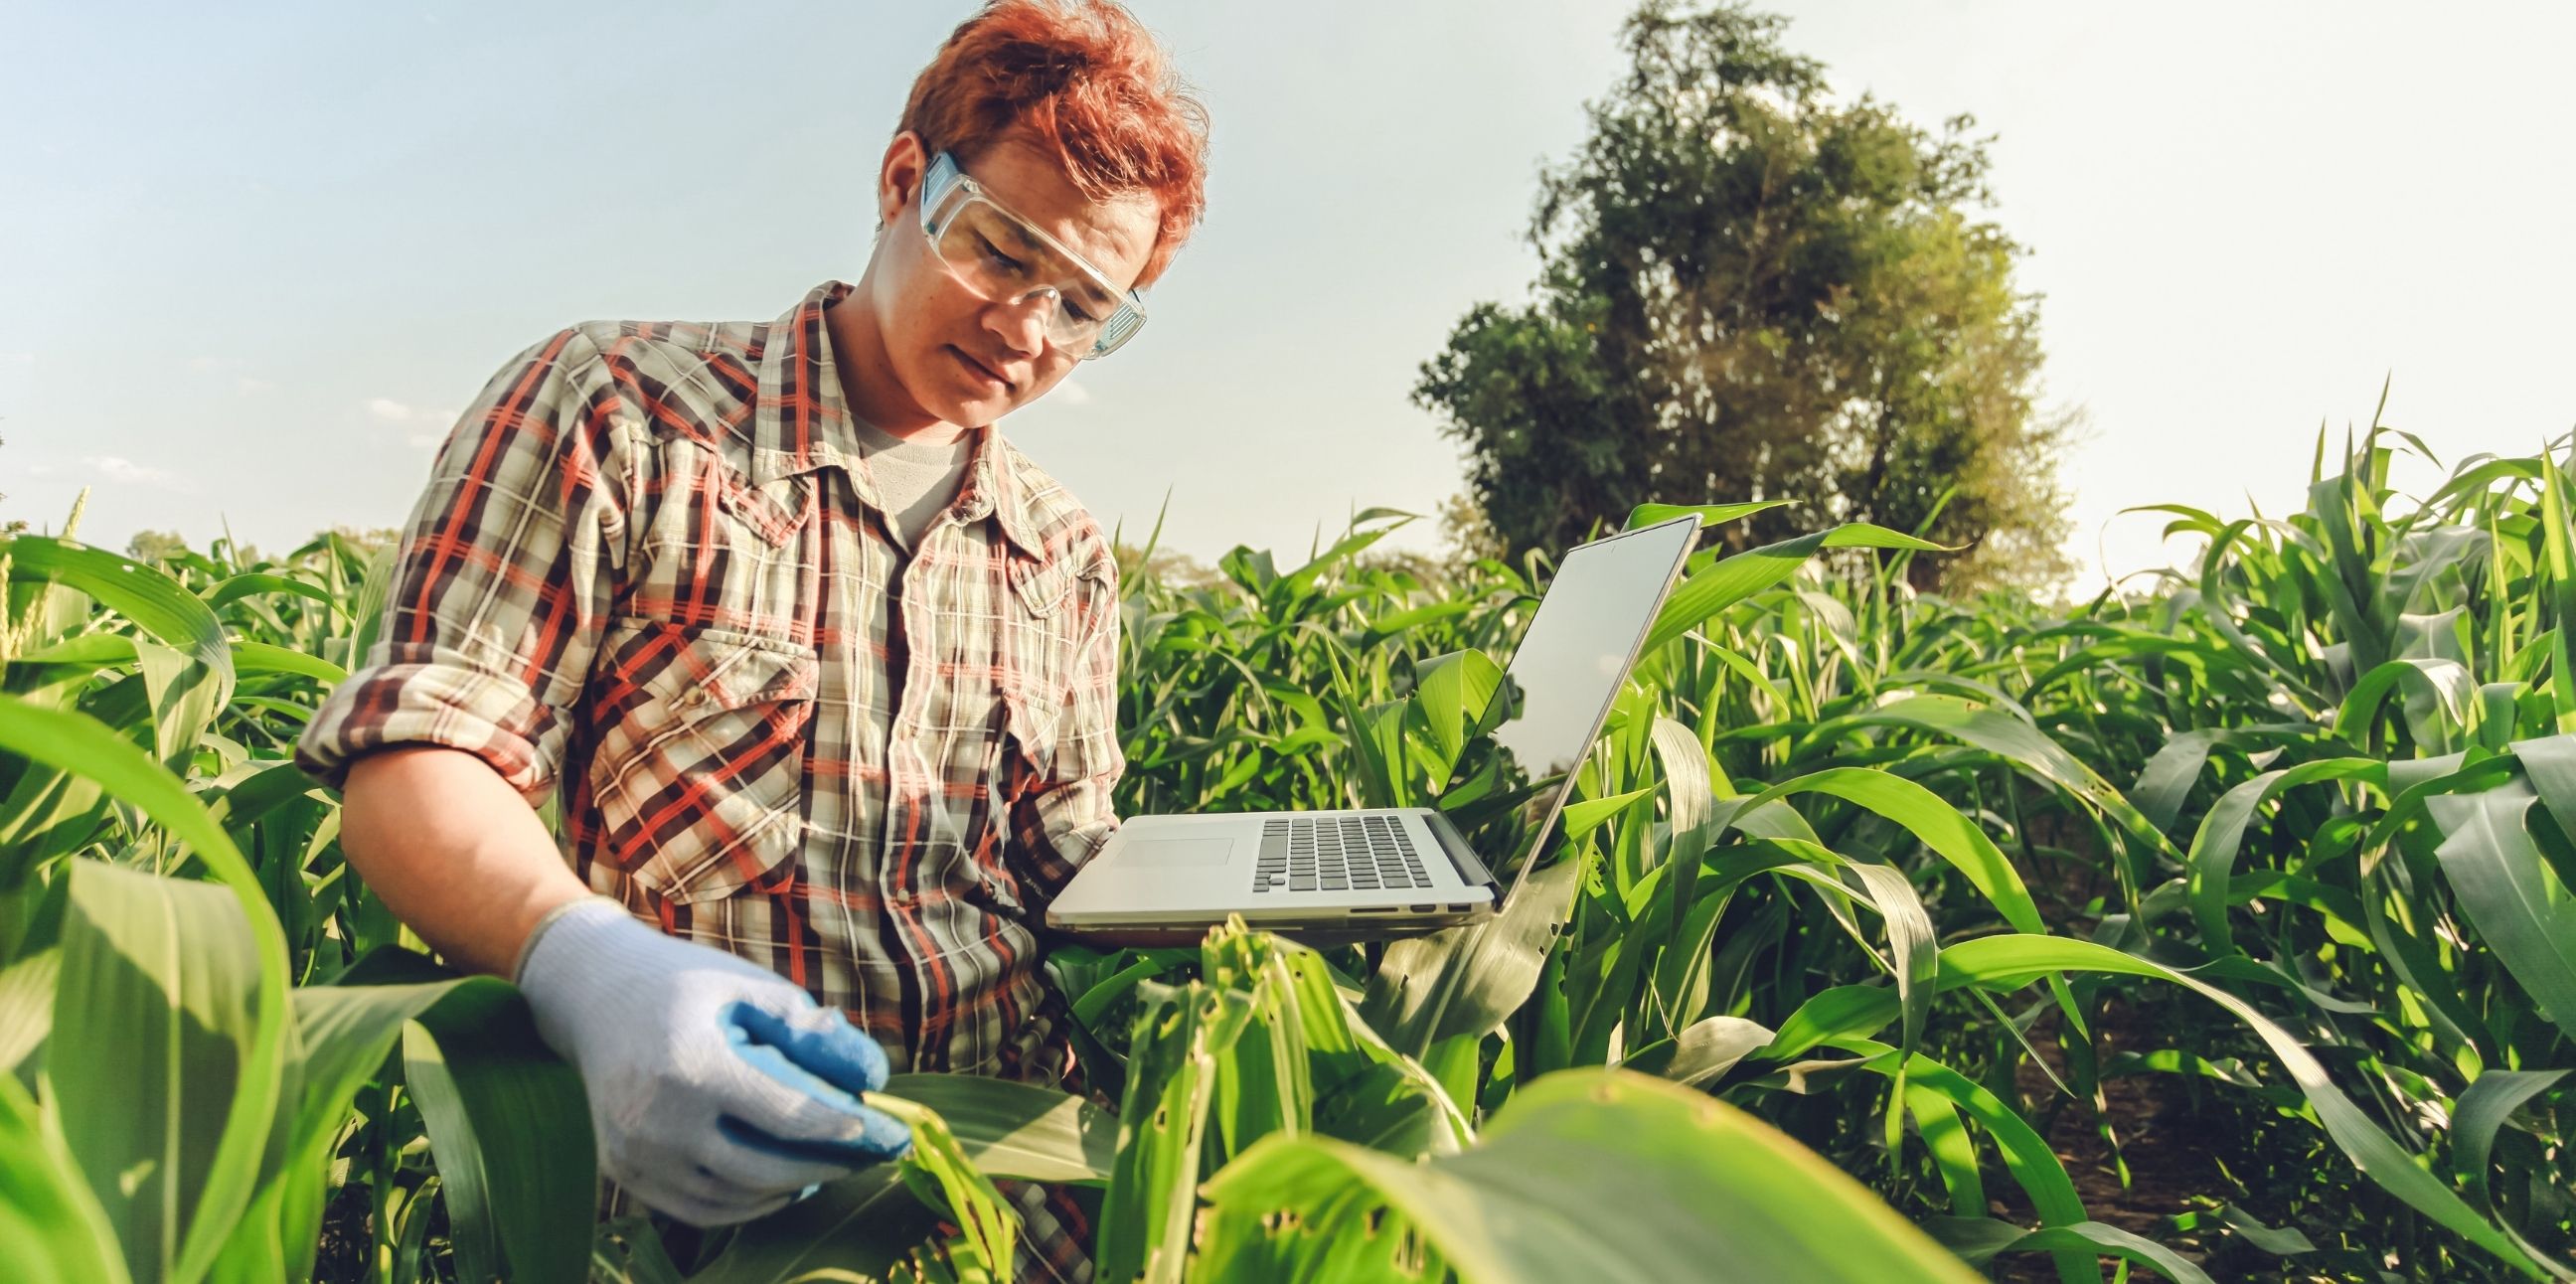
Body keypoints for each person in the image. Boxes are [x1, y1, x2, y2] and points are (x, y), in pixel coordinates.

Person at [292, 3, 1208, 1277]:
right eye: (1003, 253)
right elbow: (417, 761)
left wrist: (1286, 902)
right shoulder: (614, 411)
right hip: (696, 1203)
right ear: (906, 182)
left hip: (1013, 1206)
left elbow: (1063, 860)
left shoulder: (1063, 548)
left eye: (1082, 308)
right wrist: (584, 960)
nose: (1026, 329)